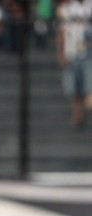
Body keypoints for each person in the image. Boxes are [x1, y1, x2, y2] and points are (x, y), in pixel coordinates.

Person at [56, 0, 92, 129]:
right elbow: (61, 32)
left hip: (89, 52)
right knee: (73, 88)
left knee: (90, 89)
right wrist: (61, 53)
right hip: (71, 51)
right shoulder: (66, 8)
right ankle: (78, 115)